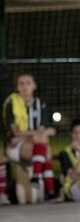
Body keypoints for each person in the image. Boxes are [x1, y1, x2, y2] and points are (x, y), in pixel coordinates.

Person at [3, 73, 57, 201]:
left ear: (34, 86)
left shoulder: (40, 104)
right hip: (16, 146)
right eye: (21, 84)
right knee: (45, 146)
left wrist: (34, 134)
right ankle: (49, 188)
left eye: (28, 83)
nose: (25, 87)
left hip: (35, 146)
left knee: (43, 144)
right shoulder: (11, 103)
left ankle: (37, 177)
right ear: (17, 87)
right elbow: (15, 133)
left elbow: (41, 132)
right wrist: (35, 134)